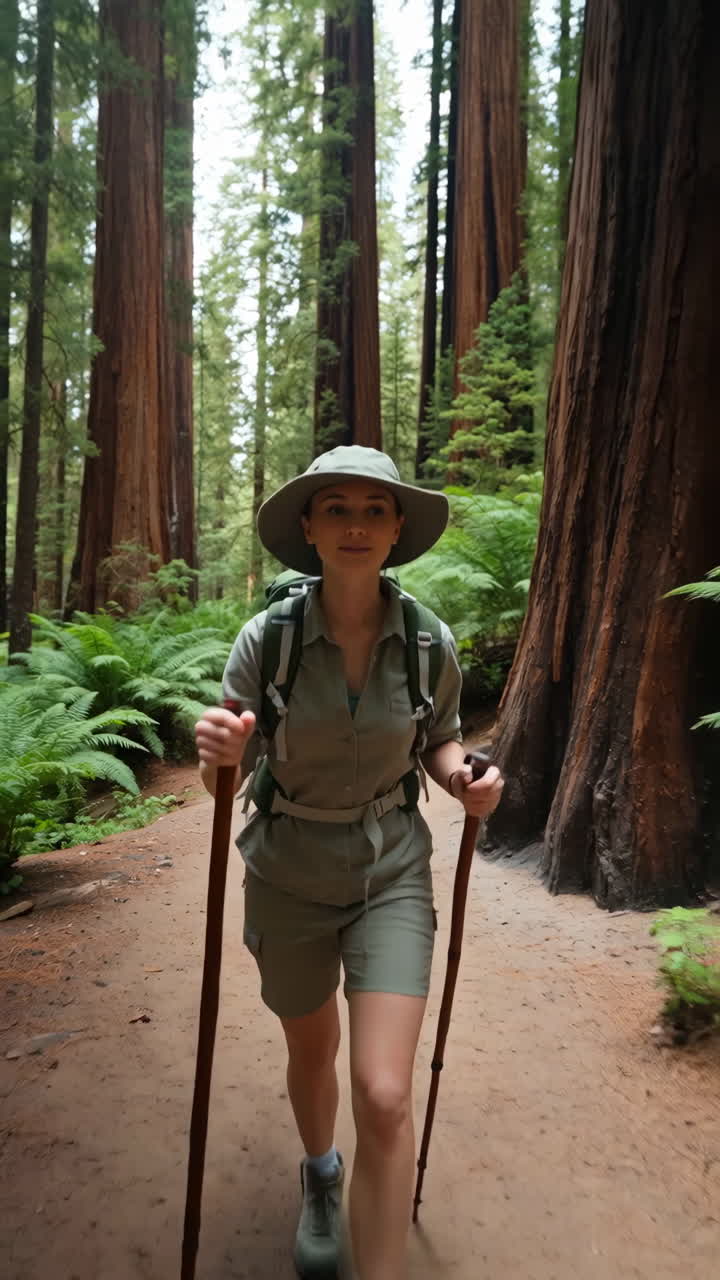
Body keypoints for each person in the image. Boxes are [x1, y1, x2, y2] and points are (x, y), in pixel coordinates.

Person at [195, 446, 504, 1280]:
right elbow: (223, 768)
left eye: (375, 508)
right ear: (308, 527)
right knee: (311, 1048)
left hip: (390, 873)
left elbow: (439, 740)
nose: (357, 524)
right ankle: (321, 1173)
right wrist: (220, 751)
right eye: (337, 508)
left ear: (399, 527)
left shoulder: (428, 640)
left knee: (385, 1092)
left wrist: (466, 782)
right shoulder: (270, 639)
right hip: (288, 873)